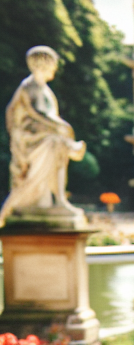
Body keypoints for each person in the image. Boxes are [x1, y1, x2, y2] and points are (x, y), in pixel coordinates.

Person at [1, 45, 86, 221]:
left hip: (38, 136)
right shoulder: (30, 86)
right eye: (53, 64)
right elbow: (38, 114)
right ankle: (71, 151)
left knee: (57, 143)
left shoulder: (43, 88)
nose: (55, 68)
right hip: (30, 138)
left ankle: (60, 199)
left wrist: (61, 128)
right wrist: (65, 128)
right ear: (44, 65)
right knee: (55, 143)